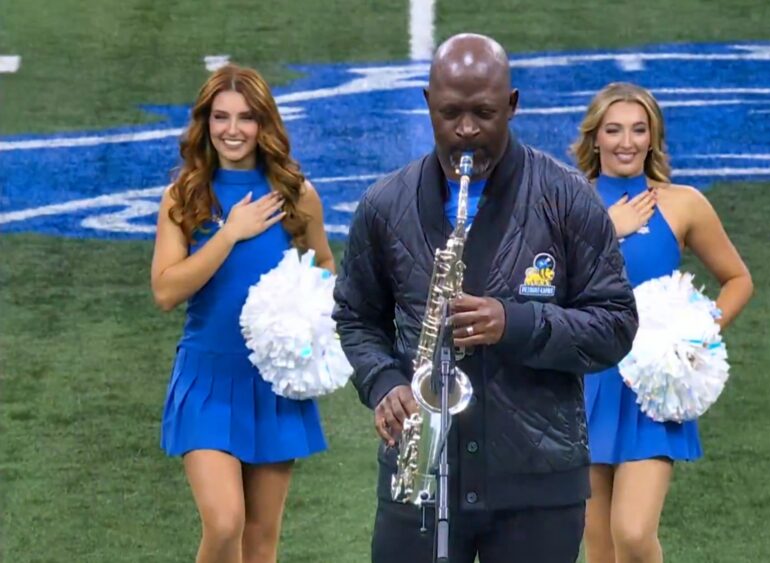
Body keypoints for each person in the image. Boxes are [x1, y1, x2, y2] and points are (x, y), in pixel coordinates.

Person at [333, 34, 638, 563]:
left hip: (538, 488)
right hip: (420, 480)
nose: (467, 129)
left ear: (513, 106)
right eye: (451, 113)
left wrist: (513, 324)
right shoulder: (384, 205)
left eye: (484, 113)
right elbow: (356, 317)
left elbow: (615, 325)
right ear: (428, 103)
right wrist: (382, 381)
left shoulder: (566, 197)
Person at [151, 63, 334, 563]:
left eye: (246, 118)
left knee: (259, 541)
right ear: (205, 124)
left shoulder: (297, 195)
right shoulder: (184, 196)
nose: (232, 130)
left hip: (274, 382)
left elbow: (325, 266)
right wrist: (229, 233)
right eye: (220, 117)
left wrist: (309, 321)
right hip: (206, 380)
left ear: (264, 124)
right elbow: (166, 291)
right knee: (225, 521)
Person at [570, 82, 753, 563]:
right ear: (595, 138)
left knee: (632, 533)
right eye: (613, 130)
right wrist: (607, 229)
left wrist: (699, 336)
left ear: (652, 138)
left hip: (653, 389)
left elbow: (737, 279)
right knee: (600, 544)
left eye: (637, 130)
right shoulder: (568, 201)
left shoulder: (683, 202)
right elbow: (547, 283)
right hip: (585, 385)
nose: (625, 142)